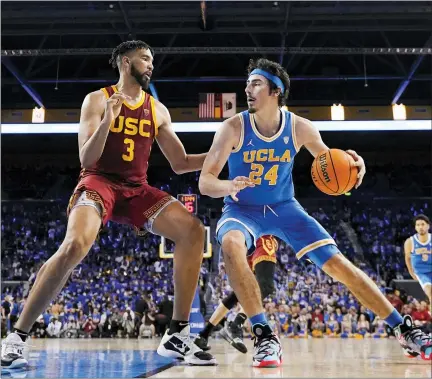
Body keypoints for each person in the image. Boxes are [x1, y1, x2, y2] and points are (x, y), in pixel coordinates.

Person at [199, 57, 432, 365]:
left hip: (285, 208)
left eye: (255, 83)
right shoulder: (232, 128)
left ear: (275, 90)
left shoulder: (300, 127)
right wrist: (228, 186)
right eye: (247, 83)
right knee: (230, 244)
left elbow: (332, 166)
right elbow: (205, 182)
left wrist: (355, 169)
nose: (247, 89)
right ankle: (265, 335)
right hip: (243, 209)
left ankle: (404, 329)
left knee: (339, 264)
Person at [1, 40, 216, 369]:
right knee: (75, 245)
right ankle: (16, 337)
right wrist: (108, 120)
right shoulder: (97, 100)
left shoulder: (157, 109)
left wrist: (222, 155)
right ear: (126, 64)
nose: (151, 65)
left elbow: (181, 162)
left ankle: (177, 333)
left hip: (136, 189)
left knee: (192, 230)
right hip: (98, 181)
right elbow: (86, 157)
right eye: (145, 59)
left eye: (152, 59)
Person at [195, 235, 278, 354]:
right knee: (265, 287)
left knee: (243, 291)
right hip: (259, 237)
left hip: (242, 240)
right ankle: (235, 325)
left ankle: (203, 335)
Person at [404, 214, 431, 304]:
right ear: (415, 227)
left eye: (422, 224)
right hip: (422, 272)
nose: (420, 227)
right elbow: (407, 258)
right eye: (418, 225)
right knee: (430, 293)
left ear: (428, 226)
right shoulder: (410, 241)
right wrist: (411, 272)